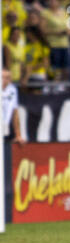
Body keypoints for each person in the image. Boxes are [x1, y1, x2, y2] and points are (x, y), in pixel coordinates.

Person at [2, 70, 26, 223]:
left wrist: (18, 133)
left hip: (5, 131)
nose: (8, 79)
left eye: (9, 77)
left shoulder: (12, 90)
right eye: (4, 77)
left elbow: (15, 112)